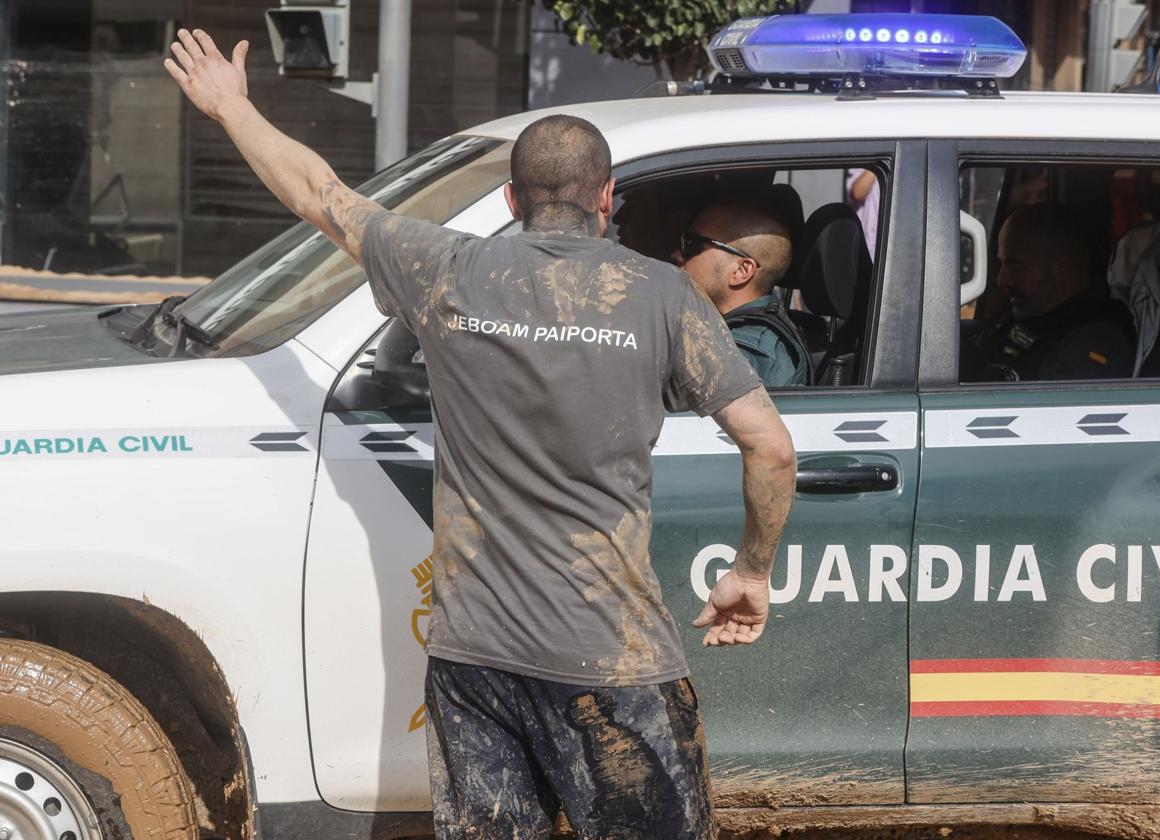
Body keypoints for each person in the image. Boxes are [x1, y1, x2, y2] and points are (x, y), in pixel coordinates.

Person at [163, 29, 797, 840]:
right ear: (607, 200)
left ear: (509, 200)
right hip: (613, 662)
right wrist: (751, 569)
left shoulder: (447, 269)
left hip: (475, 663)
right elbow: (771, 446)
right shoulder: (664, 297)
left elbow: (318, 193)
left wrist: (232, 106)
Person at [969, 202, 1136, 382]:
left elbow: (1052, 408)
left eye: (1015, 267)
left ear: (1060, 269)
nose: (1002, 280)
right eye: (1001, 264)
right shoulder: (1017, 312)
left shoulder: (1094, 341)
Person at [673, 198, 810, 387]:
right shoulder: (724, 331)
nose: (677, 254)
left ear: (741, 271)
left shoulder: (749, 350)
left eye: (692, 244)